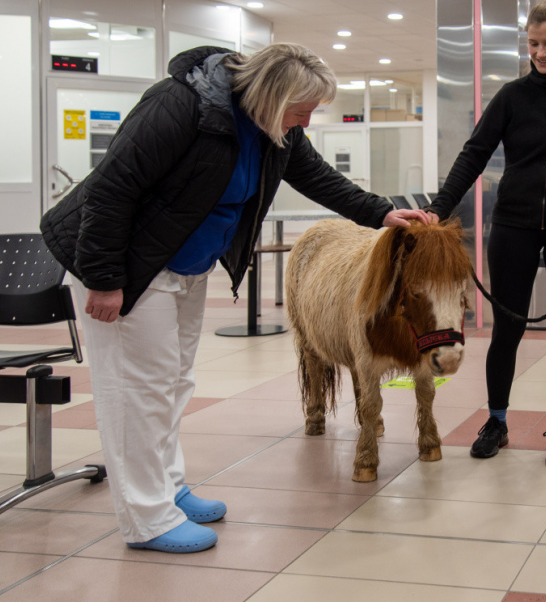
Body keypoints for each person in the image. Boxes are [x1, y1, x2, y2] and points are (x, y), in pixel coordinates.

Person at [41, 44, 428, 553]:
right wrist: (105, 277)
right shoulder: (180, 105)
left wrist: (382, 213)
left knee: (174, 381)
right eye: (302, 109)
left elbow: (315, 176)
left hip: (185, 266)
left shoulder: (274, 129)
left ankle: (167, 489)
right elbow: (114, 188)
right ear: (272, 95)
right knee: (137, 391)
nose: (307, 120)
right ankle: (146, 518)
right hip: (130, 266)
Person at [425, 0, 546, 467]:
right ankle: (497, 420)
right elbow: (474, 154)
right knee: (507, 329)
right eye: (533, 44)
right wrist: (438, 209)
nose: (541, 53)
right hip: (513, 224)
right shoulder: (511, 96)